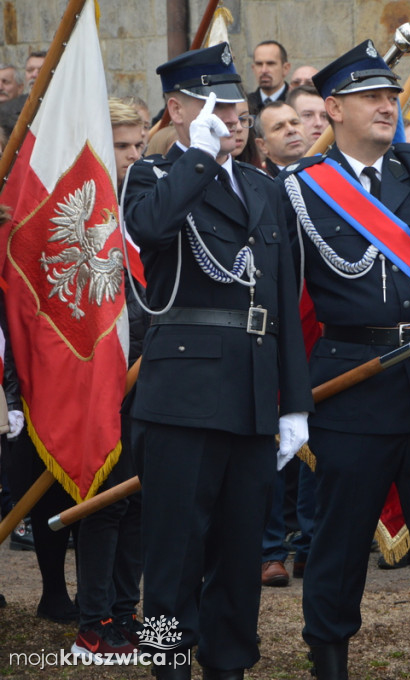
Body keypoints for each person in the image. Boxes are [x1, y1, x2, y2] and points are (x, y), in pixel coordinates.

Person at [277, 39, 410, 680]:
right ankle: (329, 658)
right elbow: (288, 302)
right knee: (338, 542)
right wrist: (290, 399)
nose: (386, 106)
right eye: (371, 96)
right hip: (351, 381)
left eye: (392, 96)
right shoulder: (301, 189)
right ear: (333, 108)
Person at [122, 43, 312, 680]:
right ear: (177, 110)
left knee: (238, 554)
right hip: (185, 391)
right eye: (215, 106)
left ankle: (228, 663)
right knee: (174, 553)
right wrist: (198, 156)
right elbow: (150, 229)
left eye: (236, 107)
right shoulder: (151, 177)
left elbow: (282, 298)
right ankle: (169, 663)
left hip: (254, 390)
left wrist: (294, 404)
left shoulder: (263, 186)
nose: (232, 118)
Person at [70, 98, 148, 663]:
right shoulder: (90, 209)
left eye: (141, 144)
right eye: (122, 146)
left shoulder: (145, 202)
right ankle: (92, 619)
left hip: (151, 372)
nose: (135, 155)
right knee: (106, 500)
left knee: (140, 500)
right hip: (99, 377)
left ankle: (126, 611)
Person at [254, 101, 308, 178]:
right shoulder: (260, 183)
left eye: (295, 123)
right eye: (278, 128)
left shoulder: (325, 168)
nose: (291, 130)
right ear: (262, 145)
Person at [248, 40, 291, 114]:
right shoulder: (246, 105)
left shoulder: (295, 102)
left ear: (285, 68)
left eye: (270, 64)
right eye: (259, 64)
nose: (264, 70)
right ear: (253, 68)